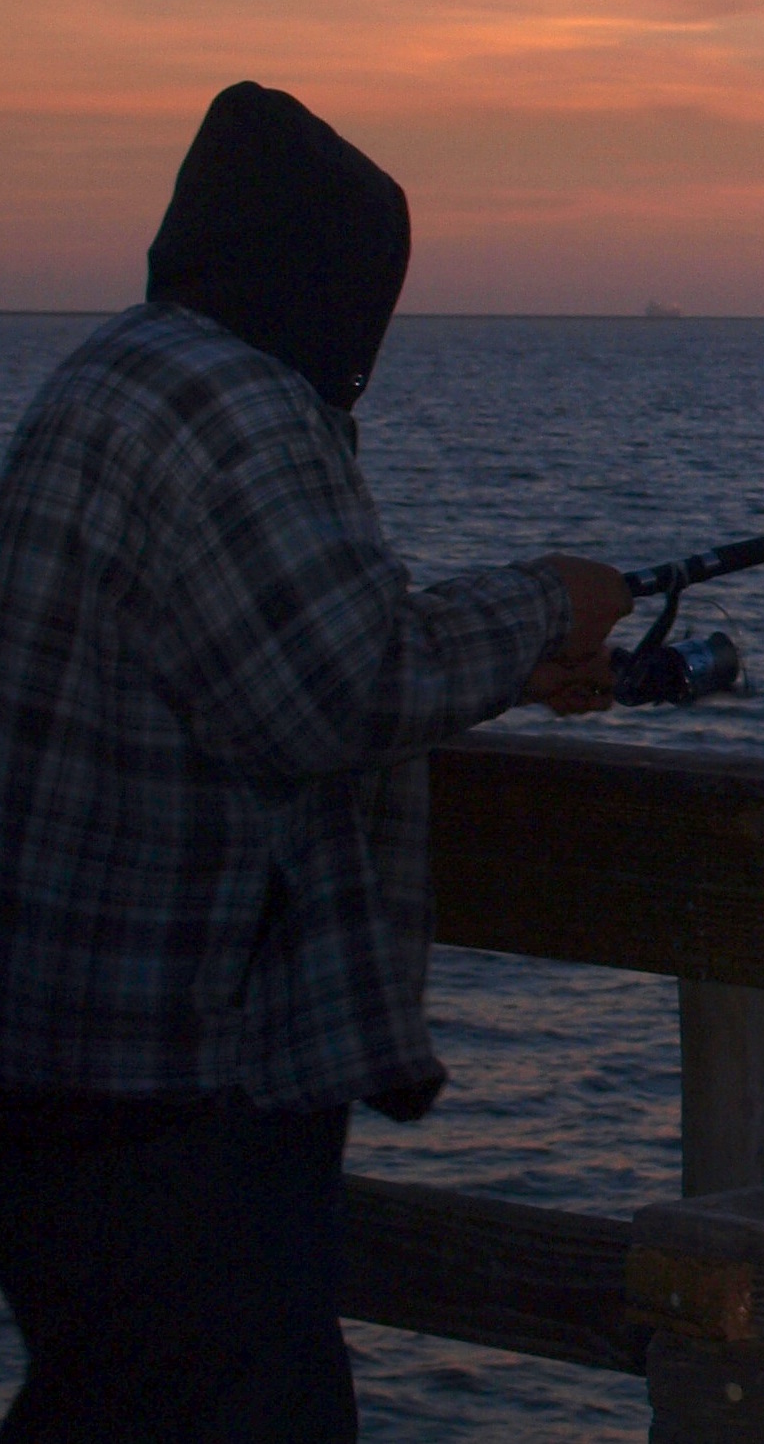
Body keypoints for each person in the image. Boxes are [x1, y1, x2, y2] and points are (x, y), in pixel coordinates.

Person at [0, 83, 632, 1441]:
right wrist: (543, 604)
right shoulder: (238, 410)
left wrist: (504, 663)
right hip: (180, 1085)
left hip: (70, 1058)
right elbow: (335, 680)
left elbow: (254, 645)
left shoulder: (118, 374)